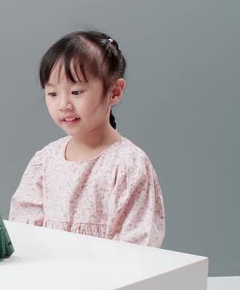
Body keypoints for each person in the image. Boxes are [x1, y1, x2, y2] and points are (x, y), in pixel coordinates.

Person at [9, 31, 165, 247]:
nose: (63, 105)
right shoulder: (45, 161)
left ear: (114, 92)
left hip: (108, 278)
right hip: (48, 276)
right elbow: (23, 229)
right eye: (52, 94)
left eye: (77, 92)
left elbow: (138, 241)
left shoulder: (128, 165)